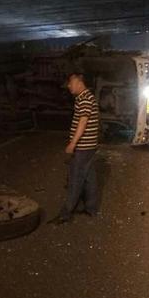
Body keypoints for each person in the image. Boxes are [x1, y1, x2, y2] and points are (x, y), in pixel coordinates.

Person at [52, 72, 100, 224]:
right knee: (89, 179)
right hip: (89, 146)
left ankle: (65, 213)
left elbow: (83, 122)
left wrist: (73, 143)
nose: (68, 86)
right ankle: (91, 208)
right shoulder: (86, 97)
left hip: (83, 146)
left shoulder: (85, 98)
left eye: (71, 82)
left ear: (79, 82)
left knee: (75, 179)